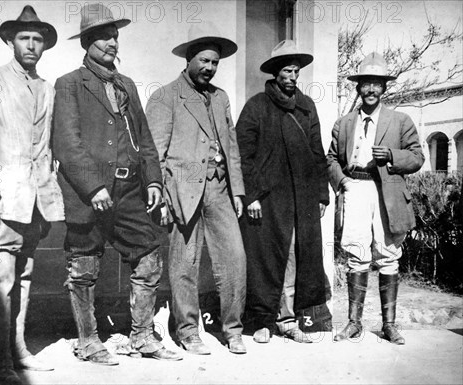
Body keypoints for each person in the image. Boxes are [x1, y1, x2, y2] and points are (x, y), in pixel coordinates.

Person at [53, 3, 182, 365]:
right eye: (103, 37)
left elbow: (144, 138)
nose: (112, 42)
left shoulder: (126, 85)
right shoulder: (69, 85)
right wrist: (93, 187)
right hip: (88, 194)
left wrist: (154, 180)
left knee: (149, 257)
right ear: (87, 42)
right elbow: (67, 142)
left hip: (129, 192)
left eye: (115, 36)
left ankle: (142, 337)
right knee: (83, 266)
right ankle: (88, 341)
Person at [0, 6, 65, 384]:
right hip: (3, 201)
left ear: (44, 46)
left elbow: (46, 149)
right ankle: (0, 360)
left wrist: (49, 199)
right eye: (24, 38)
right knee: (1, 283)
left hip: (35, 203)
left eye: (37, 39)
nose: (31, 45)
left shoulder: (46, 88)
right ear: (11, 41)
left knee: (24, 278)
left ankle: (19, 351)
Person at [145, 22, 247, 355]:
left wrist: (239, 193)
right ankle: (188, 331)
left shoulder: (220, 98)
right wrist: (159, 194)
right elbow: (155, 152)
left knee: (234, 258)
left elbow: (231, 147)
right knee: (184, 264)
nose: (210, 68)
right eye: (204, 61)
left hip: (219, 190)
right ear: (189, 60)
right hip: (182, 191)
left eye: (215, 63)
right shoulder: (165, 97)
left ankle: (233, 330)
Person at [235, 40, 329, 344]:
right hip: (266, 199)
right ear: (275, 73)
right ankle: (263, 320)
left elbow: (318, 153)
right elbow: (242, 156)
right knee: (265, 258)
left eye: (296, 70)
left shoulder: (306, 106)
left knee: (294, 256)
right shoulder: (257, 106)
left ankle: (288, 319)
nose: (292, 76)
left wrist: (321, 194)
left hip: (301, 199)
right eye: (287, 70)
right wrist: (251, 196)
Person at [328, 52, 424, 345]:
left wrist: (393, 155)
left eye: (377, 84)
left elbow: (418, 157)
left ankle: (389, 325)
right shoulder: (344, 123)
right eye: (365, 84)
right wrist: (342, 181)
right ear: (357, 87)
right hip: (355, 186)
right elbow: (331, 158)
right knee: (356, 252)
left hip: (388, 191)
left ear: (385, 88)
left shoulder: (400, 120)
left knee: (388, 252)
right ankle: (354, 323)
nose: (371, 90)